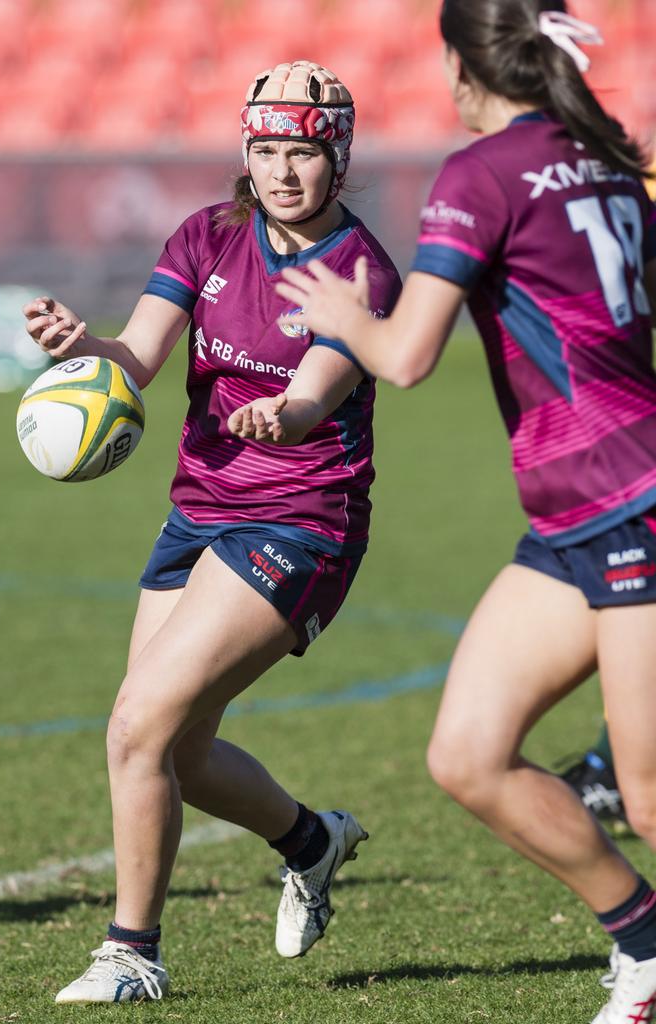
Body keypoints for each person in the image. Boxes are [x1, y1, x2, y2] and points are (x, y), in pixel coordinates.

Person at [274, 6, 656, 1023]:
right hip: (580, 511)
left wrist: (343, 313)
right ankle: (649, 948)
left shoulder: (481, 173)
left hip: (632, 503)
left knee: (651, 792)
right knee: (469, 752)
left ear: (458, 62)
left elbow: (403, 358)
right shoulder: (604, 156)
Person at [22, 60, 401, 1004]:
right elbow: (138, 357)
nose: (282, 171)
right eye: (266, 150)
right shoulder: (208, 235)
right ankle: (313, 843)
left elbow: (321, 388)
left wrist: (289, 412)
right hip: (198, 508)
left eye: (303, 153)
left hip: (302, 520)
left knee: (135, 724)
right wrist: (85, 347)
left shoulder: (361, 270)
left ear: (338, 159)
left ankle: (132, 953)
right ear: (246, 152)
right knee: (177, 750)